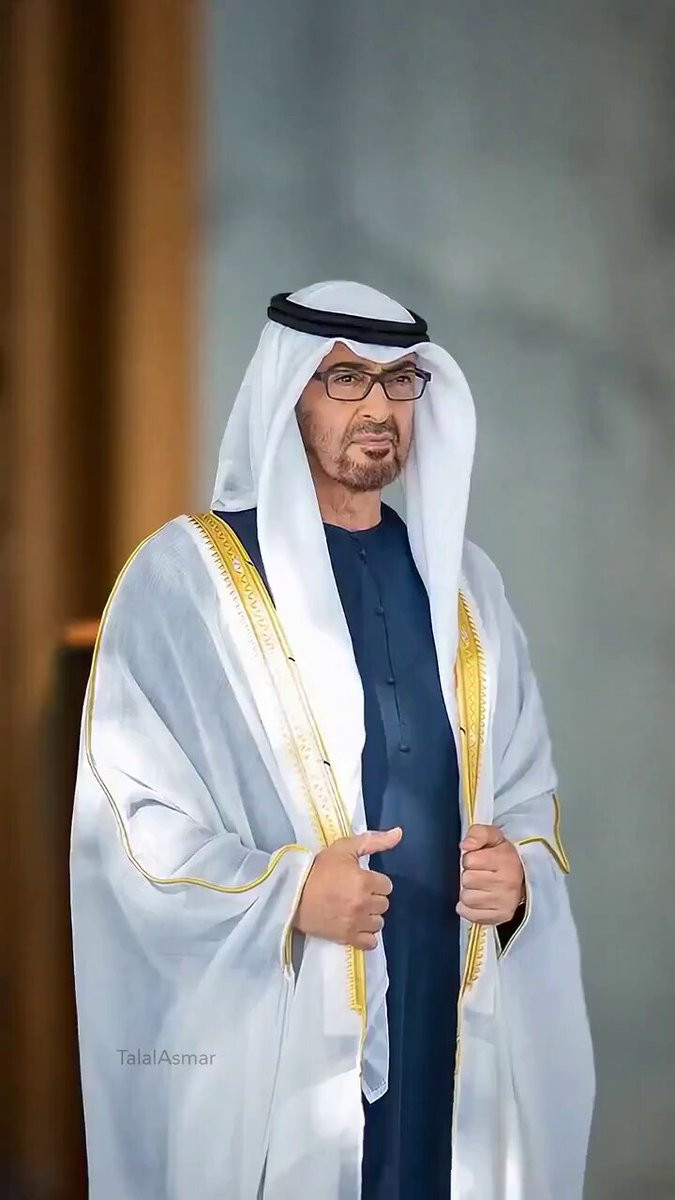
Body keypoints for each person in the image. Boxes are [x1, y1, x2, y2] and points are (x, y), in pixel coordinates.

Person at [70, 281, 594, 1200]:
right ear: (288, 395)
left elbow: (525, 791)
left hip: (446, 1000)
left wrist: (517, 880)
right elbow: (129, 824)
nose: (378, 408)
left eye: (398, 382)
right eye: (345, 379)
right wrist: (288, 894)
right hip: (286, 1021)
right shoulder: (186, 579)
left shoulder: (465, 588)